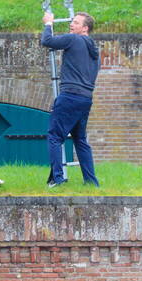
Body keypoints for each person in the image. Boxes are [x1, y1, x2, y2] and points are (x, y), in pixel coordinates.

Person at [41, 10, 100, 187]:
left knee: (54, 136)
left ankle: (57, 179)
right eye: (72, 21)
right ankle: (91, 182)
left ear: (85, 28)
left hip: (69, 96)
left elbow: (47, 41)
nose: (71, 24)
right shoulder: (95, 51)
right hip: (86, 99)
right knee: (80, 140)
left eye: (76, 22)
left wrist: (48, 23)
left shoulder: (73, 39)